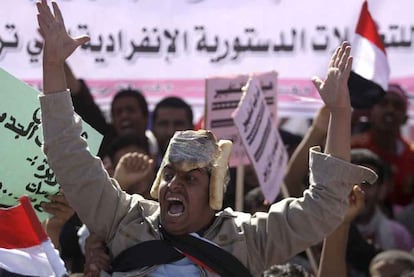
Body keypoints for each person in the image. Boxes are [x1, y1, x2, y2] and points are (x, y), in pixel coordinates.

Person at [36, 1, 376, 275]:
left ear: (214, 190)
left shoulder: (249, 238)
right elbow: (69, 155)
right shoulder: (125, 219)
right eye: (169, 174)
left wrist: (339, 113)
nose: (174, 185)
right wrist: (52, 65)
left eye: (191, 178)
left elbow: (324, 206)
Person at [351, 84, 414, 212]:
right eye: (383, 103)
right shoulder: (353, 148)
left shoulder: (412, 156)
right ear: (370, 112)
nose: (390, 110)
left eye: (397, 105)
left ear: (405, 118)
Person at [151, 96, 194, 167]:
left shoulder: (205, 170)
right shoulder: (139, 166)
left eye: (178, 124)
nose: (170, 132)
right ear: (153, 128)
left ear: (191, 129)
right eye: (163, 124)